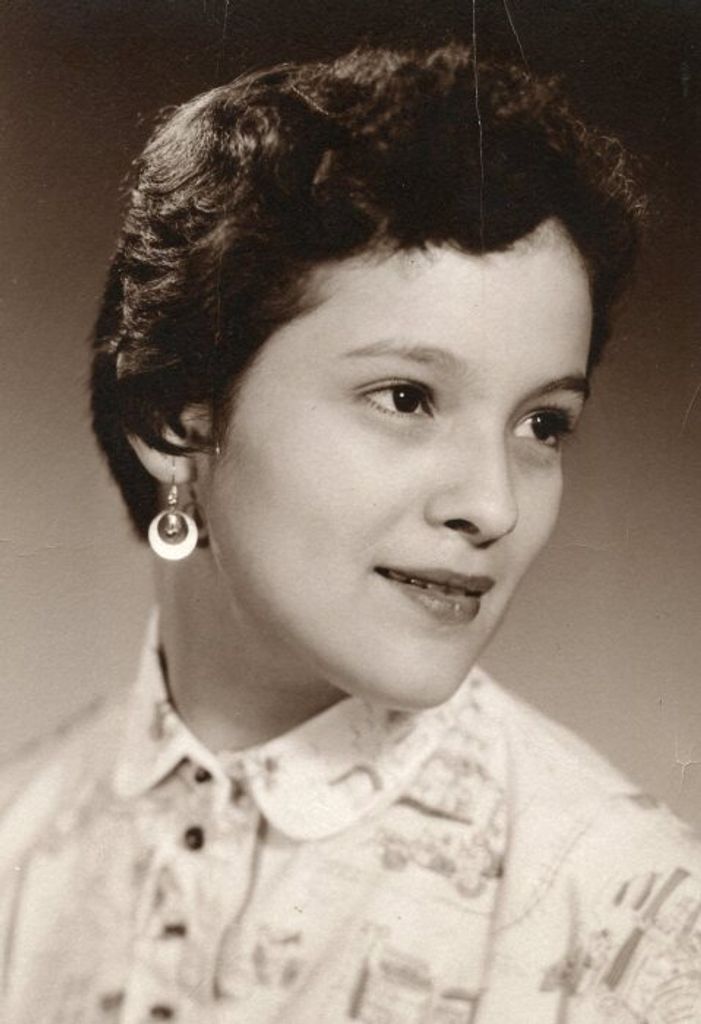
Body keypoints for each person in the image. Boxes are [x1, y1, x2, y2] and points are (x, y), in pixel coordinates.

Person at [1, 42, 699, 1024]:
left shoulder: (639, 933)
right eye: (406, 398)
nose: (493, 505)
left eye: (542, 424)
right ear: (174, 422)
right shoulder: (17, 845)